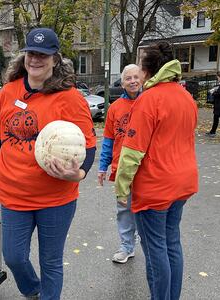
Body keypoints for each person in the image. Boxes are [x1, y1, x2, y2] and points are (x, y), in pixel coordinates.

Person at [0, 27, 96, 300]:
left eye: (43, 54)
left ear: (55, 59)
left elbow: (89, 146)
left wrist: (79, 173)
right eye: (31, 53)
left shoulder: (71, 98)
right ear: (24, 57)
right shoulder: (8, 92)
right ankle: (33, 289)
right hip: (13, 193)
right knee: (14, 257)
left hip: (56, 197)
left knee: (51, 261)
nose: (36, 60)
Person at [115, 41, 198, 300]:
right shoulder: (185, 97)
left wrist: (121, 187)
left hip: (156, 186)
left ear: (147, 69)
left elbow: (132, 152)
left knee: (155, 249)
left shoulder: (148, 99)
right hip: (182, 182)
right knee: (172, 242)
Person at [98, 64, 142, 264]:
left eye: (136, 77)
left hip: (146, 168)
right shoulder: (115, 108)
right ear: (122, 82)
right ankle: (126, 246)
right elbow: (108, 140)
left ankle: (149, 245)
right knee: (124, 209)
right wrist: (102, 166)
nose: (132, 81)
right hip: (121, 168)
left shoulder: (149, 102)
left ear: (142, 78)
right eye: (128, 78)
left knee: (146, 209)